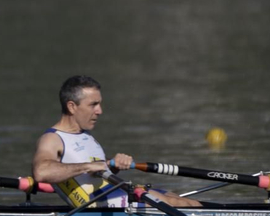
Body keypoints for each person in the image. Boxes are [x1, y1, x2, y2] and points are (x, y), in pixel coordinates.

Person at [32, 75, 199, 209]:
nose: (100, 111)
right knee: (181, 205)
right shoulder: (52, 139)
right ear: (72, 107)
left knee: (182, 200)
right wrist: (87, 166)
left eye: (100, 104)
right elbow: (41, 172)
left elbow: (95, 175)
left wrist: (112, 166)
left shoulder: (85, 135)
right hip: (96, 204)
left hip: (112, 192)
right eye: (93, 105)